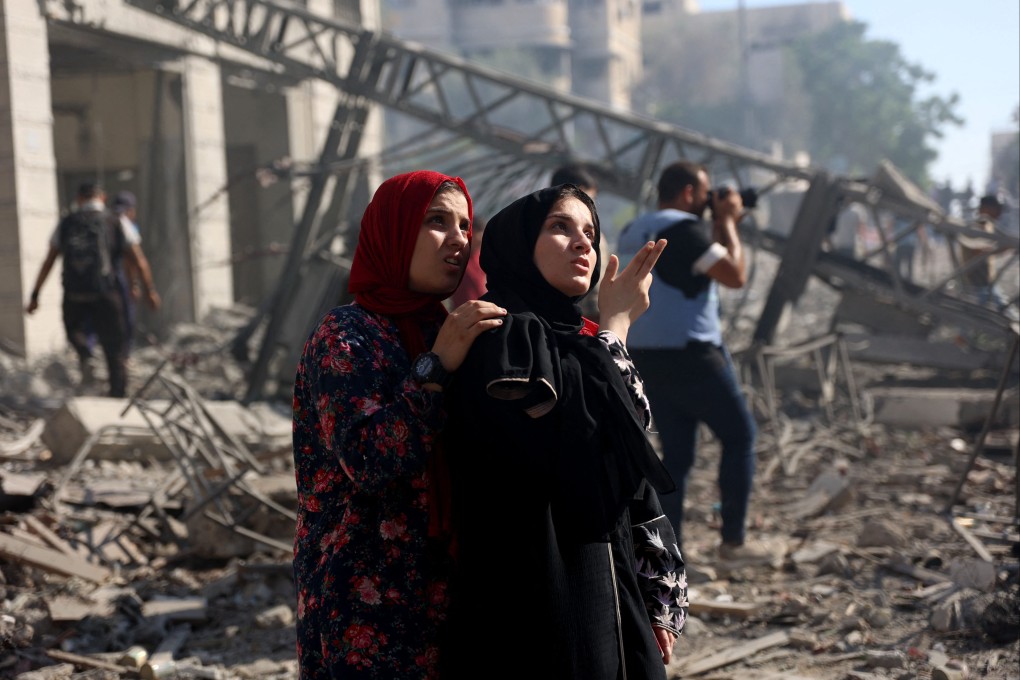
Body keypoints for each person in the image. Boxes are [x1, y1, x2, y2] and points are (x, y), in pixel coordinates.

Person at [441, 184, 687, 680]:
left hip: (608, 574)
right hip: (536, 585)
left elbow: (630, 464)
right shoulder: (500, 335)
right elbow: (578, 443)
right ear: (518, 242)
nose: (583, 244)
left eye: (590, 234)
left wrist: (659, 583)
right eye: (560, 227)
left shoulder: (582, 341)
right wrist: (616, 326)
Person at [291, 171, 506, 678]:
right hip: (365, 604)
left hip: (447, 593)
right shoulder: (346, 334)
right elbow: (369, 460)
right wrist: (434, 368)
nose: (458, 239)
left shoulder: (448, 328)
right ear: (393, 230)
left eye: (464, 224)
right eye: (437, 221)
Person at [617, 160, 769, 567]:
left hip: (647, 358)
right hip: (694, 356)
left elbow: (696, 266)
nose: (707, 202)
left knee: (677, 459)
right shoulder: (684, 229)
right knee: (740, 436)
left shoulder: (636, 228)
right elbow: (734, 274)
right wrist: (731, 221)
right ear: (688, 193)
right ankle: (732, 543)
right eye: (704, 194)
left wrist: (717, 223)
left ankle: (670, 551)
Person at [25, 182, 160, 397]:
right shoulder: (116, 221)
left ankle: (86, 356)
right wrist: (149, 290)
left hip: (74, 293)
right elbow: (138, 260)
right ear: (103, 198)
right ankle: (117, 397)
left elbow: (48, 261)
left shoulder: (67, 223)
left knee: (74, 331)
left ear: (79, 199)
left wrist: (35, 295)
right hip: (108, 293)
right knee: (115, 348)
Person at [551, 163, 605, 320]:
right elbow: (595, 293)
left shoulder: (538, 232)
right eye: (590, 199)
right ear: (578, 193)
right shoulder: (593, 238)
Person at [959, 194, 1012, 310]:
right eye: (996, 209)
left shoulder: (988, 226)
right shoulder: (974, 227)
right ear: (986, 209)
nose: (999, 213)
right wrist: (1006, 247)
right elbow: (979, 250)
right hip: (975, 286)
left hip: (986, 284)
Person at [448, 215, 487, 308]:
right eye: (479, 235)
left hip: (484, 308)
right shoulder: (456, 257)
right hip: (464, 311)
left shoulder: (481, 256)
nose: (481, 240)